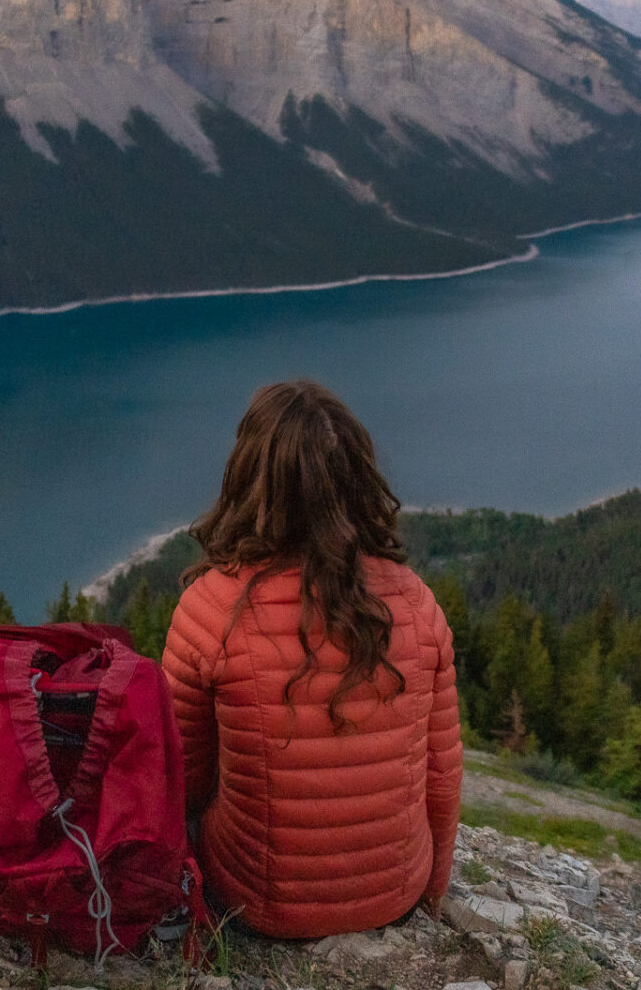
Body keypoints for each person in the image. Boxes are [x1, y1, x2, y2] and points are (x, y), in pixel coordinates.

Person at [161, 380, 463, 940]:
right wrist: (432, 890)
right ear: (358, 478)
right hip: (394, 892)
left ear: (248, 478)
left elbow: (183, 783)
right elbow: (441, 778)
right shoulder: (417, 603)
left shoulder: (210, 610)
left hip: (259, 902)